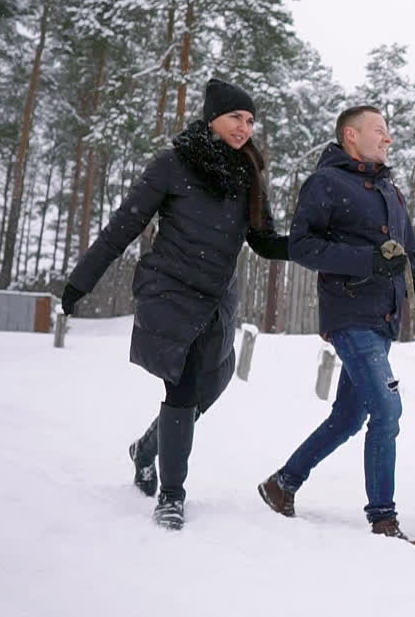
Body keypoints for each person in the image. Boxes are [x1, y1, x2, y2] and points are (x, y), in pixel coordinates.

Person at [63, 78, 289, 530]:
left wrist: (317, 247)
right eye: (235, 118)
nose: (244, 128)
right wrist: (80, 282)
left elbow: (264, 241)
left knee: (214, 384)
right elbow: (124, 224)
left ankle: (146, 449)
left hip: (218, 298)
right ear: (212, 118)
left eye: (250, 121)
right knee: (182, 388)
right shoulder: (173, 164)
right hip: (171, 289)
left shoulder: (247, 176)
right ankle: (171, 495)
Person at [256, 105, 415, 546]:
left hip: (383, 320)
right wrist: (365, 261)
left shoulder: (391, 191)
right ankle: (383, 519)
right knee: (387, 411)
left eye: (388, 132)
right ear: (351, 135)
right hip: (349, 315)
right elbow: (303, 246)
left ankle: (282, 484)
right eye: (380, 130)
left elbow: (410, 266)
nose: (388, 138)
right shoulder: (326, 183)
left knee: (349, 416)